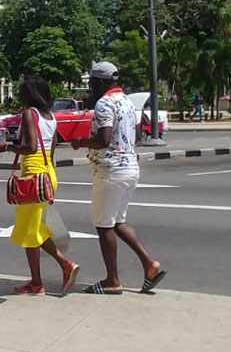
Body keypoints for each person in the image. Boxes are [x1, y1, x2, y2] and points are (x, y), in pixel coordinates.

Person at [70, 62, 167, 295]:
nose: (90, 88)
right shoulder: (126, 101)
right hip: (130, 167)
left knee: (104, 227)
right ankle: (149, 264)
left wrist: (81, 142)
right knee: (117, 222)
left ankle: (112, 280)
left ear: (101, 82)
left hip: (111, 170)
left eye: (92, 83)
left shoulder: (105, 103)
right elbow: (137, 137)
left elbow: (103, 139)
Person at [0, 75, 79, 295]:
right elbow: (50, 151)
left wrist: (7, 147)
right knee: (28, 229)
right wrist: (49, 183)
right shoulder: (51, 117)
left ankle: (64, 265)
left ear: (30, 94)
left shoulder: (29, 114)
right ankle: (35, 282)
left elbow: (31, 147)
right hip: (47, 173)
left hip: (32, 174)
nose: (19, 96)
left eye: (22, 92)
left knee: (28, 228)